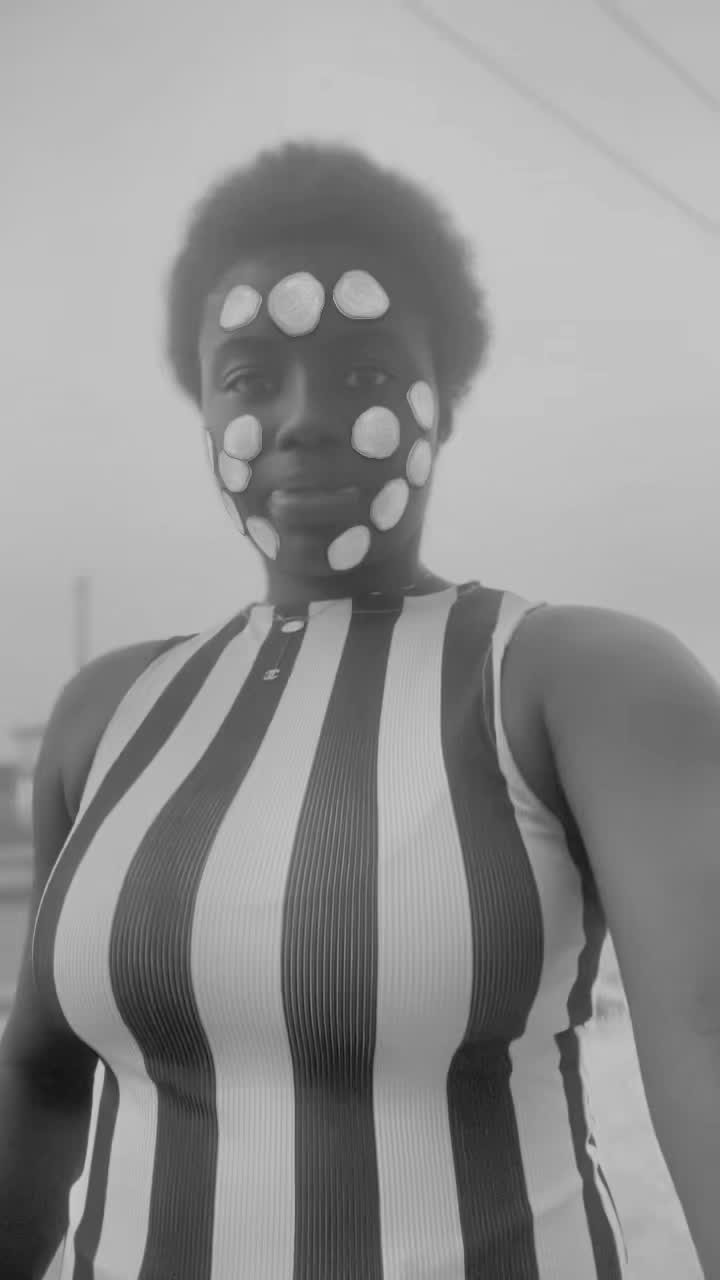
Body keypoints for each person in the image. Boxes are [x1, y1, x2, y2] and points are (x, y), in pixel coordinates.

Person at [2, 141, 718, 1280]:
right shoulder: (109, 714)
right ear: (204, 404)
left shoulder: (574, 681)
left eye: (366, 371)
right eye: (250, 375)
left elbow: (708, 1034)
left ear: (446, 401)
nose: (303, 418)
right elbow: (41, 1078)